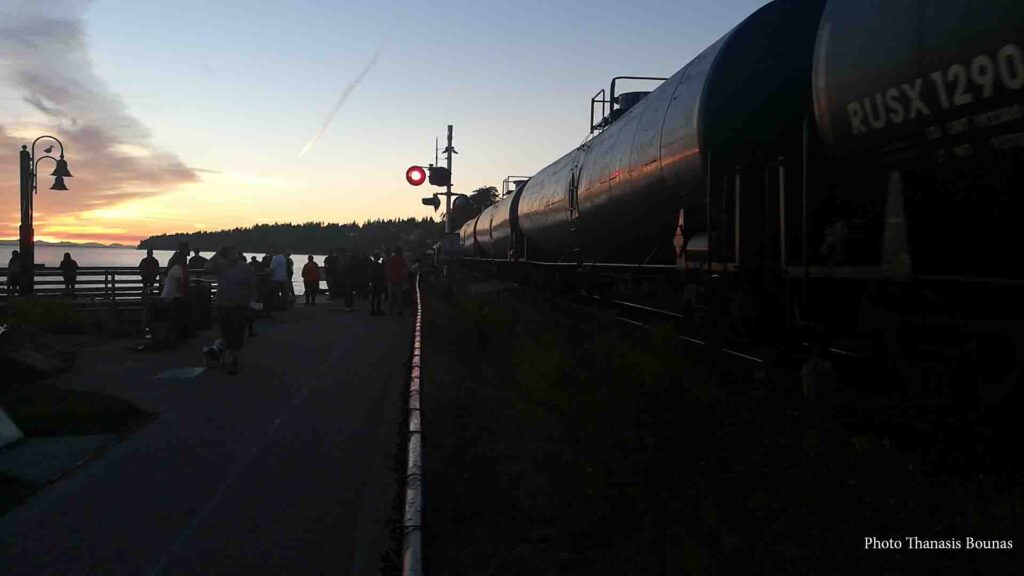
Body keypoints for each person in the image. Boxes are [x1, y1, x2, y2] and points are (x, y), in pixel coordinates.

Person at [204, 246, 257, 375]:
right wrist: (217, 254)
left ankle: (231, 357)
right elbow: (207, 266)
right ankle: (228, 356)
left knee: (237, 332)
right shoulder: (221, 266)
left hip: (239, 305)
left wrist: (253, 302)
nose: (232, 255)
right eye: (229, 253)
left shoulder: (245, 268)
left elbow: (253, 284)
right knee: (226, 332)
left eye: (234, 252)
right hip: (223, 304)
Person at [162, 251, 189, 343]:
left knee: (170, 316)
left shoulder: (172, 268)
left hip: (167, 295)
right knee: (175, 316)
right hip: (173, 295)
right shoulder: (178, 268)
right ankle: (175, 337)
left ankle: (169, 336)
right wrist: (182, 295)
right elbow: (178, 284)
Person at [386, 245, 409, 317]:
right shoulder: (402, 259)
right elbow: (405, 269)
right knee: (399, 296)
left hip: (392, 279)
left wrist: (388, 277)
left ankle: (390, 311)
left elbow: (388, 269)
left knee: (391, 296)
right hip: (399, 280)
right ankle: (399, 311)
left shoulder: (391, 259)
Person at [269, 245, 289, 310]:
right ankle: (285, 306)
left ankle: (275, 306)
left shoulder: (274, 258)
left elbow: (272, 269)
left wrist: (268, 271)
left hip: (276, 279)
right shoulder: (283, 258)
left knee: (275, 293)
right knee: (284, 294)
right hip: (283, 278)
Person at [369, 251, 386, 316]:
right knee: (378, 296)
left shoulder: (372, 265)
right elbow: (382, 272)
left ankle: (373, 309)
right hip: (378, 282)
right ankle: (377, 309)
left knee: (374, 296)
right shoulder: (379, 265)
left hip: (374, 282)